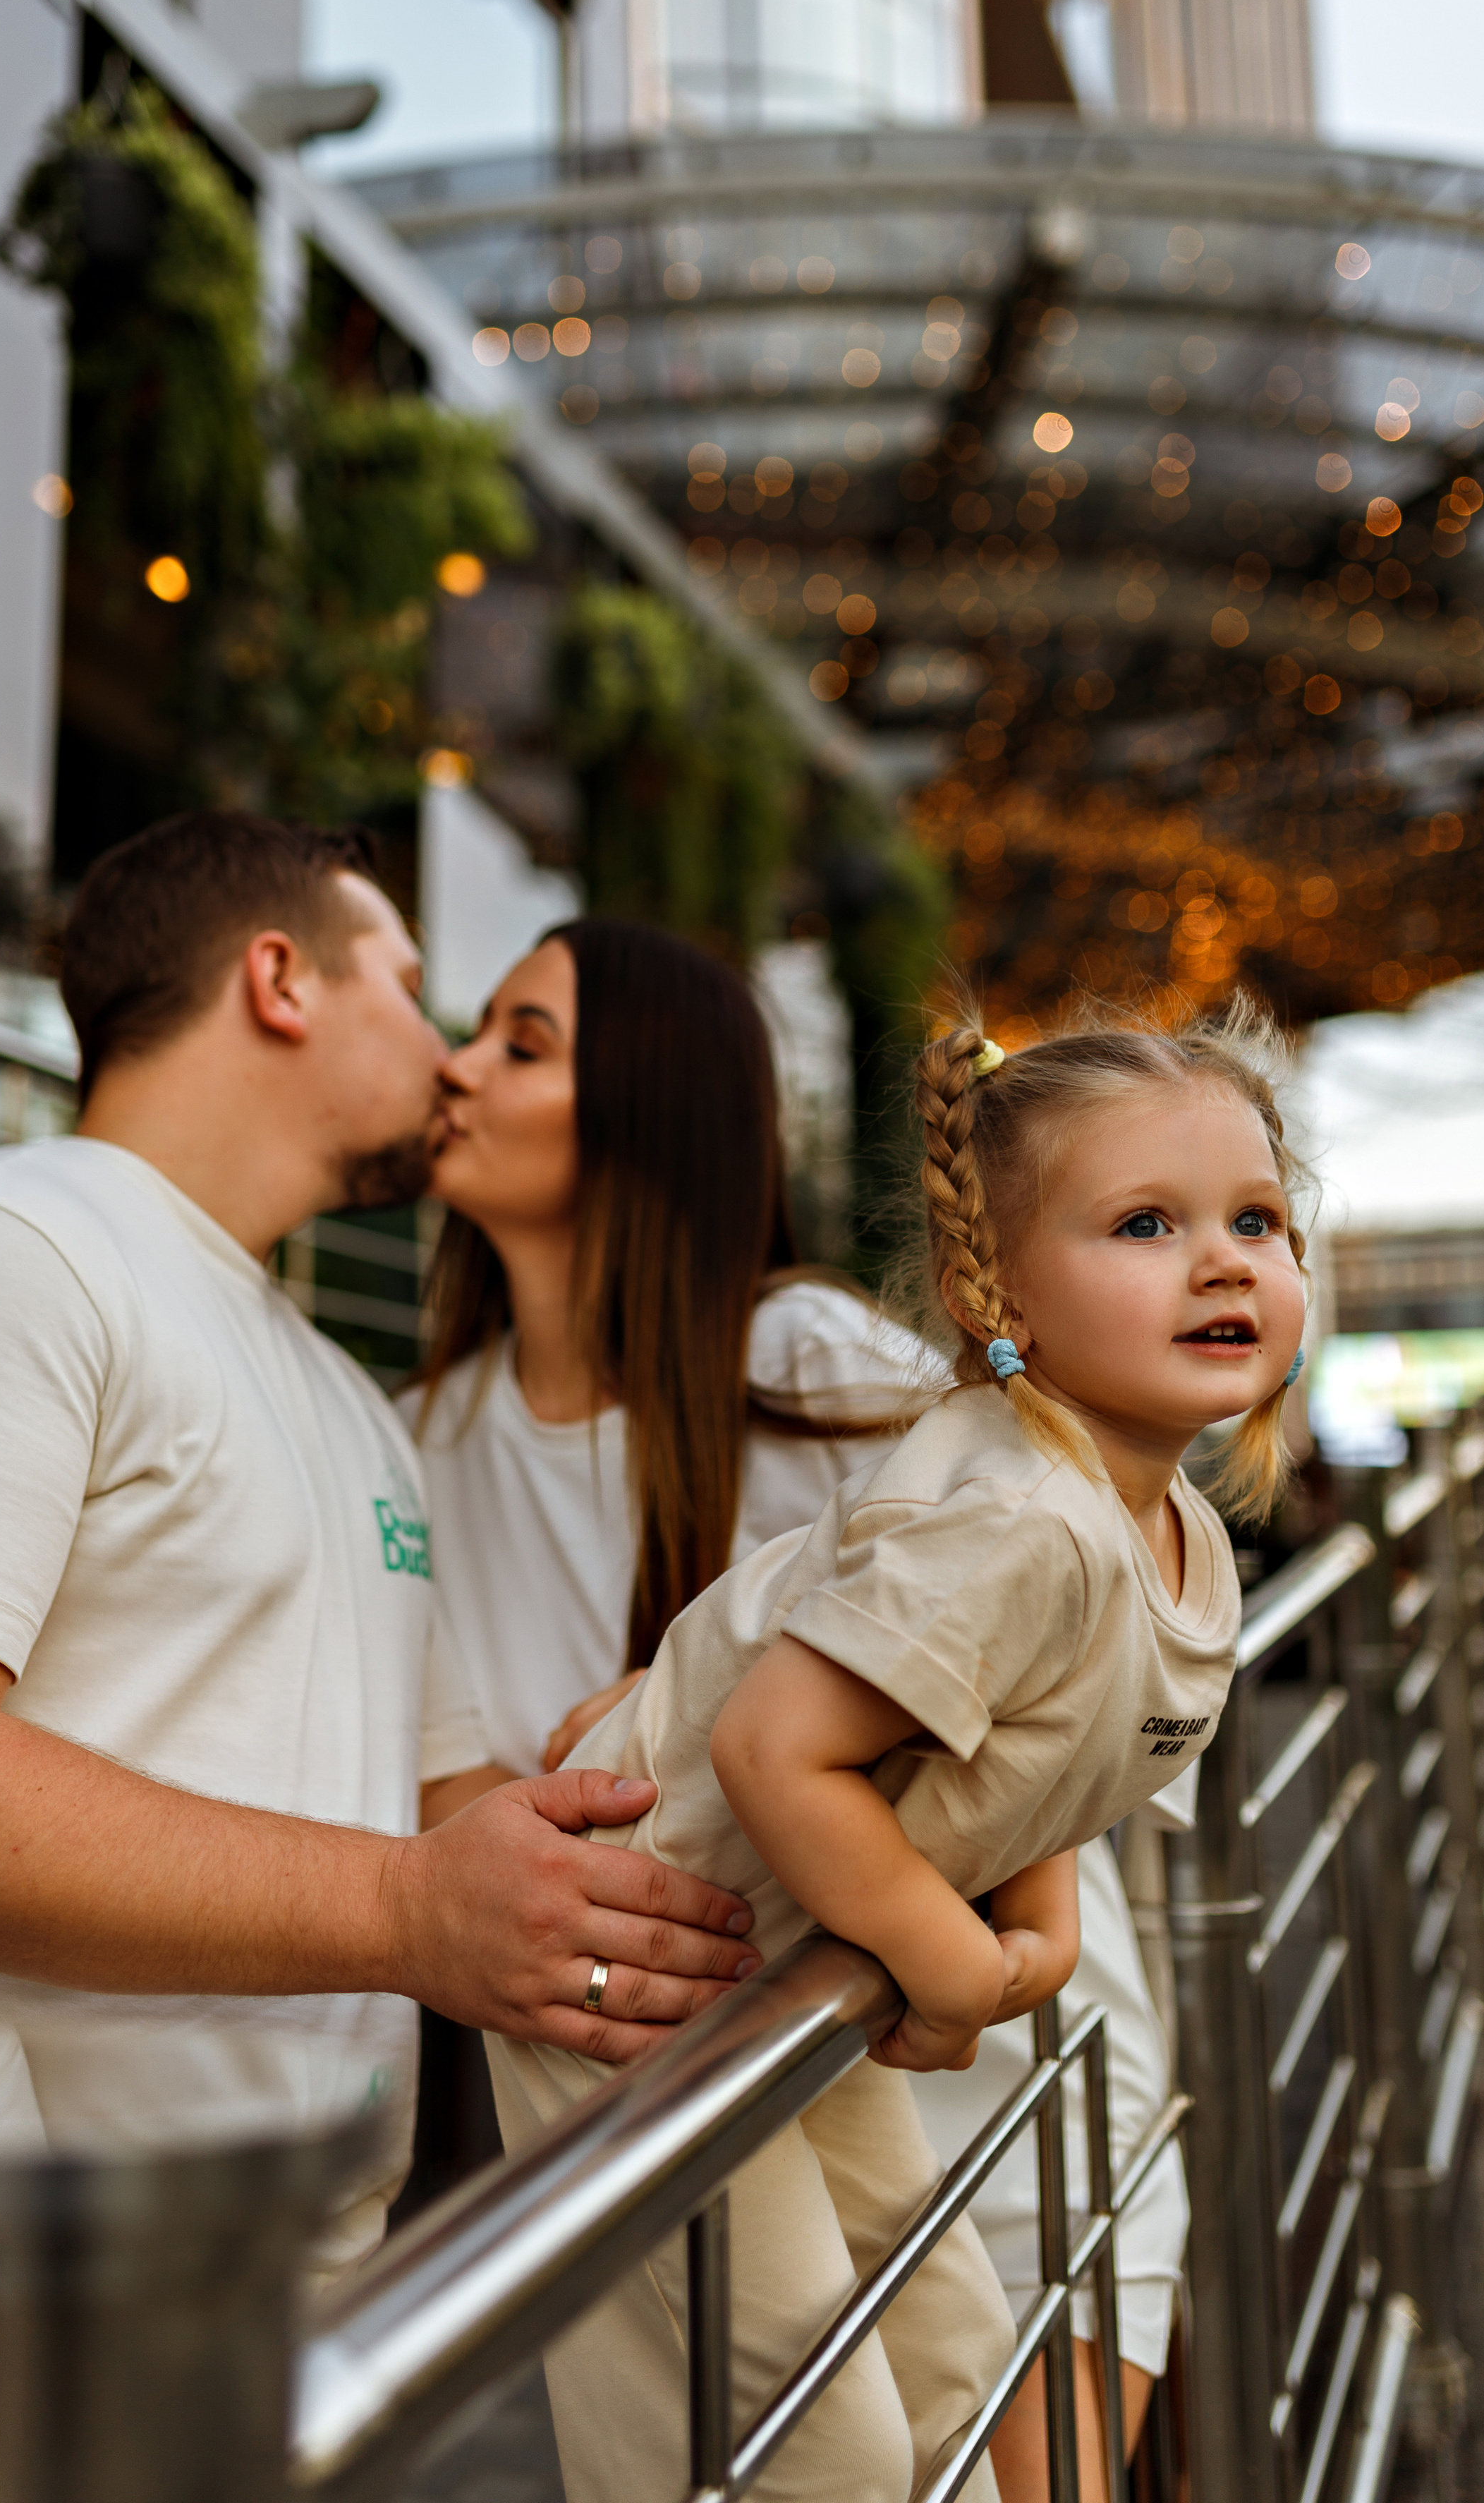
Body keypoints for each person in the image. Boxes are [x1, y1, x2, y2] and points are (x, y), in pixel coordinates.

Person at [0, 815, 761, 2503]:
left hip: (293, 2325)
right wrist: (413, 1912)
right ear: (280, 980)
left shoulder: (346, 1400)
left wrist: (748, 1816)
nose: (443, 1055)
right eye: (412, 993)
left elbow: (444, 1804)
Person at [485, 994, 1309, 2503]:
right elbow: (772, 1746)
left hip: (773, 1954)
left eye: (1256, 1218)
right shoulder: (1018, 1522)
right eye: (1141, 1224)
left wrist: (1034, 1939)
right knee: (821, 2453)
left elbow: (1049, 1759)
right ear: (998, 1291)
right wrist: (946, 1959)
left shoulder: (1162, 1527)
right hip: (643, 1960)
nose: (1219, 1258)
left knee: (949, 2381)